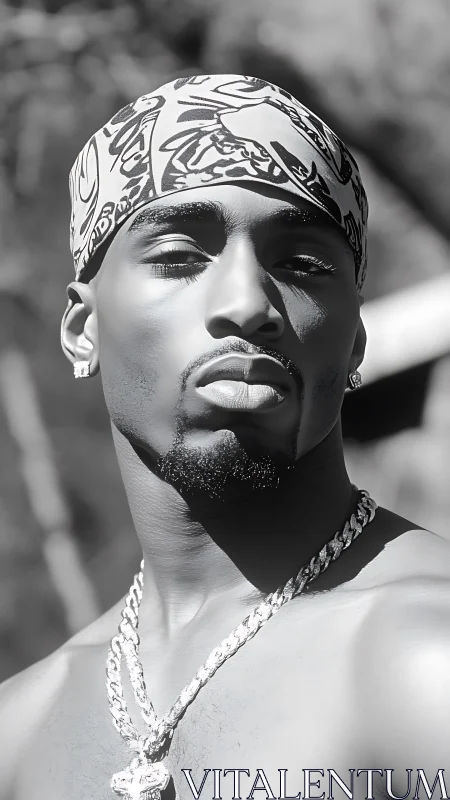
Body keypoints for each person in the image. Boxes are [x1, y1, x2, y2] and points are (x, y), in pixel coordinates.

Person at [1, 74, 450, 800]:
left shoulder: (427, 660)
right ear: (84, 329)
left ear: (355, 343)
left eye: (301, 265)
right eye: (178, 257)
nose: (246, 304)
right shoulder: (20, 733)